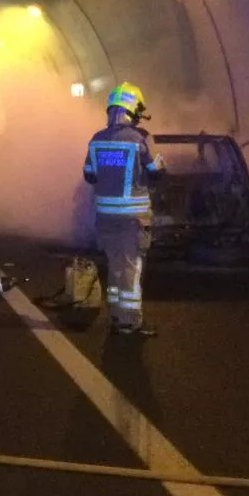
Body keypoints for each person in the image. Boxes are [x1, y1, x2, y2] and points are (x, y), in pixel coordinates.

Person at [82, 82, 165, 336]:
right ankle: (131, 323)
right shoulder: (140, 140)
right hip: (132, 221)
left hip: (106, 219)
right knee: (131, 270)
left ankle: (118, 317)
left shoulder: (96, 140)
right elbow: (158, 173)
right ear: (133, 109)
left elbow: (89, 176)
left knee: (116, 268)